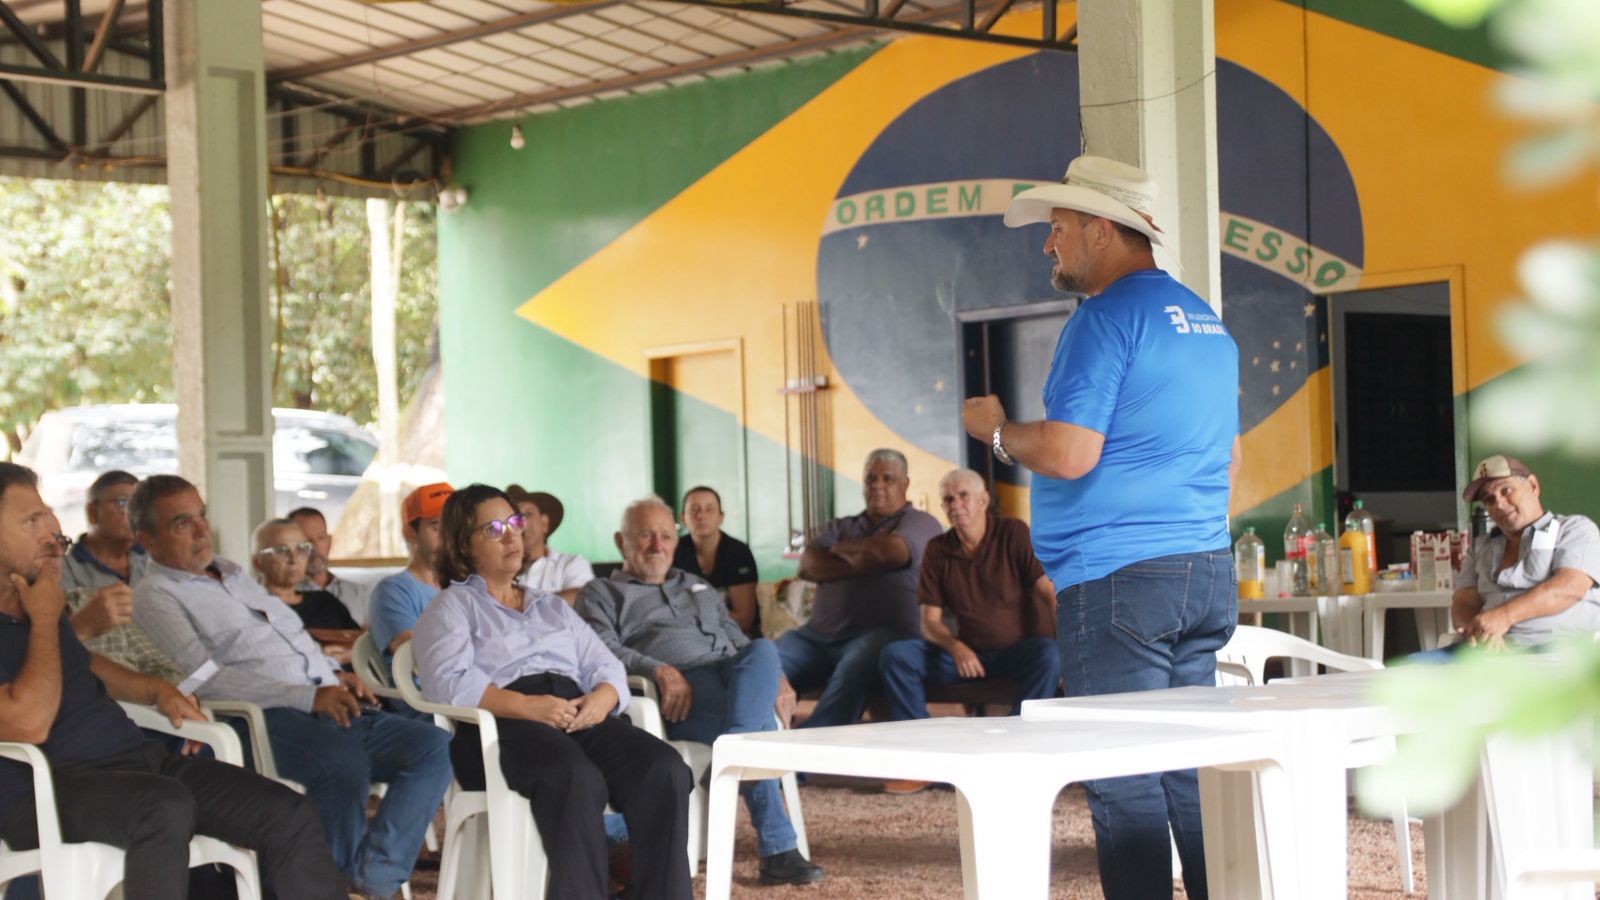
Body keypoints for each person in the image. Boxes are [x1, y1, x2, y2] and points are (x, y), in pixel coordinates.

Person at [962, 155, 1241, 900]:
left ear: (1098, 229)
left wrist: (995, 432)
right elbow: (1231, 458)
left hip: (1120, 581)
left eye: (1057, 230)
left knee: (1123, 773)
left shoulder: (1105, 319)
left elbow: (1068, 452)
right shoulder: (1207, 323)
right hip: (1204, 567)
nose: (1048, 246)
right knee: (1188, 765)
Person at [0, 462, 346, 900]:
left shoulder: (32, 602)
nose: (51, 534)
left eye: (48, 517)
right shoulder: (43, 608)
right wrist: (49, 618)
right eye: (32, 521)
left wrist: (153, 689)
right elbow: (27, 723)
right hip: (43, 789)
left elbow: (78, 662)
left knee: (286, 811)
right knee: (163, 806)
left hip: (133, 762)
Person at [131, 475, 453, 900]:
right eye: (182, 523)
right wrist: (308, 695)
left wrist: (333, 676)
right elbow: (204, 677)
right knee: (341, 767)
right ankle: (328, 887)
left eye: (202, 517)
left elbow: (290, 642)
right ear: (146, 538)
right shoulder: (156, 593)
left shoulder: (231, 574)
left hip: (324, 699)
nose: (202, 530)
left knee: (434, 746)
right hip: (259, 717)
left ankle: (366, 882)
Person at [413, 484, 693, 900]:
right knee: (576, 778)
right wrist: (527, 706)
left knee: (663, 768)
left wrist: (603, 698)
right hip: (500, 724)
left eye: (514, 523)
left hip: (573, 710)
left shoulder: (550, 605)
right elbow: (447, 680)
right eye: (493, 529)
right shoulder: (453, 606)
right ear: (463, 545)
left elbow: (605, 664)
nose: (512, 535)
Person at [580, 497, 823, 886]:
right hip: (685, 693)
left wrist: (775, 678)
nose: (657, 546)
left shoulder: (696, 585)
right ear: (620, 541)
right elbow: (600, 648)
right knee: (756, 721)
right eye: (645, 536)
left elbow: (737, 638)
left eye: (665, 536)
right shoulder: (602, 593)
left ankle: (732, 750)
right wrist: (658, 669)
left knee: (765, 649)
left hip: (733, 679)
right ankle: (777, 848)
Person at [775, 449, 943, 728]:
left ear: (905, 484)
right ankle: (756, 739)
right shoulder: (842, 526)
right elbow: (808, 566)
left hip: (881, 637)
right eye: (871, 478)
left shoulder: (921, 523)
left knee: (860, 662)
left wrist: (839, 554)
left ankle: (808, 751)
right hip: (816, 637)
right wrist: (870, 558)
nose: (877, 485)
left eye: (888, 478)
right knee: (764, 661)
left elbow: (891, 552)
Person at [878, 468, 1060, 722]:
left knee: (1050, 655)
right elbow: (929, 623)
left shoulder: (1013, 533)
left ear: (983, 501)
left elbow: (1049, 593)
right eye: (949, 500)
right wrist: (957, 648)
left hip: (1019, 652)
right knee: (897, 656)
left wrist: (1065, 646)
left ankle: (1019, 730)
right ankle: (918, 737)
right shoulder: (937, 549)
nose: (957, 505)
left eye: (964, 496)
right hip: (968, 656)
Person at [1447, 455, 1600, 650]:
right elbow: (1463, 602)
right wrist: (1477, 632)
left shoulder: (1574, 529)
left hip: (1554, 648)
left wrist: (1503, 617)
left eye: (1506, 490)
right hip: (1485, 651)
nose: (1499, 504)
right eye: (1489, 499)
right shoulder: (1480, 547)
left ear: (1533, 486)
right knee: (1405, 672)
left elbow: (1568, 589)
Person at [57, 470, 183, 684]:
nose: (132, 514)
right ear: (92, 513)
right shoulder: (64, 569)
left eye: (138, 506)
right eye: (123, 502)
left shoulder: (152, 561)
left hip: (165, 663)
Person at [251, 517, 362, 666]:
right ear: (258, 563)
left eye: (302, 549)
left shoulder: (325, 601)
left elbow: (361, 644)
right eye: (282, 550)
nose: (294, 558)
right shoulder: (252, 609)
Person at [368, 482, 453, 659]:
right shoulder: (393, 591)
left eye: (455, 526)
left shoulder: (469, 582)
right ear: (410, 533)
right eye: (437, 526)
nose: (449, 535)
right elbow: (416, 656)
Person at [673, 485, 761, 637]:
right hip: (689, 636)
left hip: (737, 635)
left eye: (709, 509)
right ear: (683, 518)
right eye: (694, 509)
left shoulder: (738, 552)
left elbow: (744, 620)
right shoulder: (673, 551)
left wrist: (692, 614)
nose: (701, 515)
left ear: (721, 517)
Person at [505, 485, 594, 605]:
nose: (522, 523)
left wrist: (518, 606)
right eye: (514, 519)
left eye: (527, 514)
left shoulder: (571, 563)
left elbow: (582, 598)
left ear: (544, 523)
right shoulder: (500, 571)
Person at [288, 506, 372, 625]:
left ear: (330, 541)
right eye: (306, 541)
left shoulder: (359, 593)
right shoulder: (285, 595)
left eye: (321, 538)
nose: (315, 547)